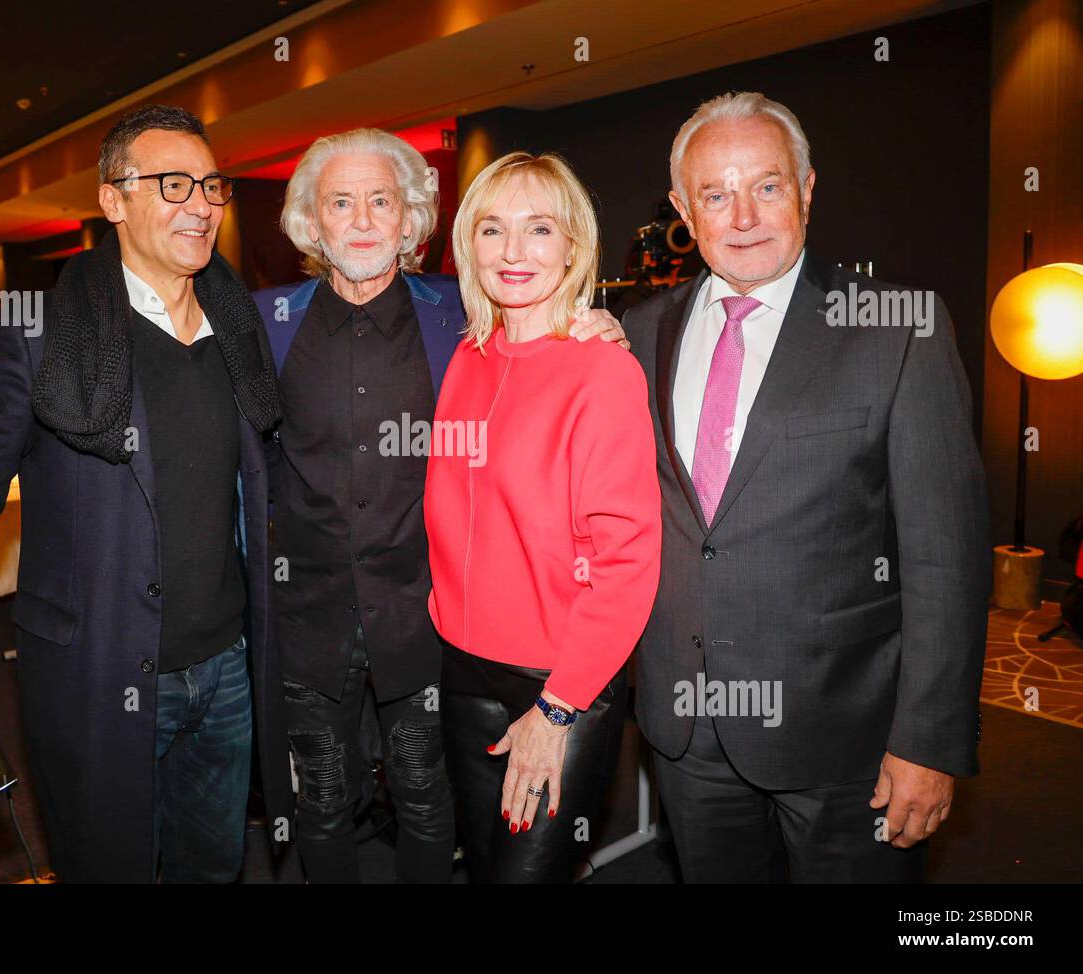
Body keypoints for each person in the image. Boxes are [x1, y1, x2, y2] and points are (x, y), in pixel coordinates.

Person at [0, 104, 291, 883]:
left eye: (212, 186)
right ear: (112, 199)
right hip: (99, 677)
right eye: (173, 184)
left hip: (227, 671)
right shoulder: (46, 334)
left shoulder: (239, 327)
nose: (201, 205)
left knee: (215, 870)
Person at [621, 91, 990, 882]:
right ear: (685, 208)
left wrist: (928, 740)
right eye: (715, 193)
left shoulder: (900, 328)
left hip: (845, 738)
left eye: (767, 184)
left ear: (808, 188)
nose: (743, 214)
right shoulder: (637, 334)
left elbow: (945, 557)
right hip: (688, 731)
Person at [251, 128, 629, 883]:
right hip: (307, 617)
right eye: (340, 202)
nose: (361, 219)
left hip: (424, 620)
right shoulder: (265, 323)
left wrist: (599, 323)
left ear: (411, 218)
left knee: (427, 799)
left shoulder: (457, 315)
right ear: (311, 222)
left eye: (381, 200)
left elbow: (539, 331)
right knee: (321, 800)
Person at [424, 151, 661, 883]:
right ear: (469, 245)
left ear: (573, 247)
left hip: (559, 680)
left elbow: (626, 561)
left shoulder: (603, 368)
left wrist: (558, 708)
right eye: (492, 230)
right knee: (490, 863)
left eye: (539, 230)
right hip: (462, 665)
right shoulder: (469, 356)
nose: (514, 252)